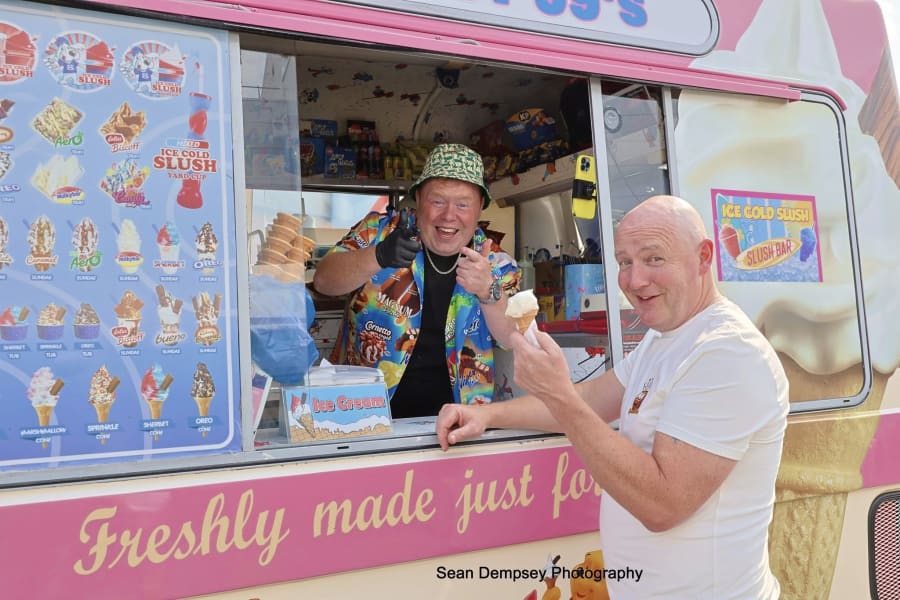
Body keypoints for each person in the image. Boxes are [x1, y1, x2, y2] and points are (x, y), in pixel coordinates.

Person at [435, 195, 789, 599]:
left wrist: (558, 393)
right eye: (624, 262)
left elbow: (663, 505)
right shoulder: (665, 337)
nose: (635, 281)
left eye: (654, 259)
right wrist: (488, 415)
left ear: (703, 257)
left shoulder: (728, 352)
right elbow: (590, 399)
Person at [314, 143, 519, 418]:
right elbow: (324, 281)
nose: (449, 215)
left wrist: (488, 291)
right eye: (438, 201)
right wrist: (379, 255)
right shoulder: (378, 232)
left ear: (480, 206)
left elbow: (513, 338)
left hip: (460, 421)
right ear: (419, 198)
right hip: (360, 415)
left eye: (462, 204)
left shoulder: (496, 262)